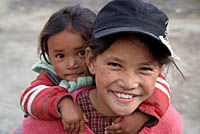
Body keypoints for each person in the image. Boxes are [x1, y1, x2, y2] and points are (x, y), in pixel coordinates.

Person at [13, 1, 179, 134]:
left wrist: (144, 115)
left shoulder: (168, 122)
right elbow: (29, 97)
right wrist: (62, 103)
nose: (72, 65)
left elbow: (160, 86)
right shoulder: (50, 80)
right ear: (92, 60)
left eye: (145, 68)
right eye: (115, 64)